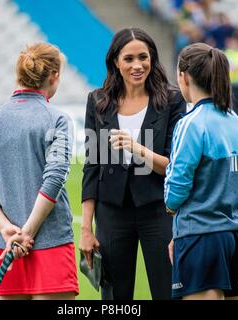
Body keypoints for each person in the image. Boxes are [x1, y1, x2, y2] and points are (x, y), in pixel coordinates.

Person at [80, 27, 186, 300]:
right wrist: (85, 230)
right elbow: (92, 166)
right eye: (129, 59)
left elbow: (174, 167)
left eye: (144, 57)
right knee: (115, 296)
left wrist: (137, 149)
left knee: (167, 291)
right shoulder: (98, 101)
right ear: (116, 61)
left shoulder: (172, 100)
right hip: (112, 213)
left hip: (159, 211)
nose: (137, 65)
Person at [0, 42, 78, 300]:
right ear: (54, 76)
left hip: (5, 245)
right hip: (51, 244)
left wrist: (7, 228)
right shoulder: (57, 118)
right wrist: (27, 231)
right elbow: (55, 177)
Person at [164, 42, 238, 300]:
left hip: (201, 237)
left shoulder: (190, 123)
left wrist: (171, 209)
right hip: (235, 235)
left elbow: (177, 185)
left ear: (184, 77)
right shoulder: (234, 119)